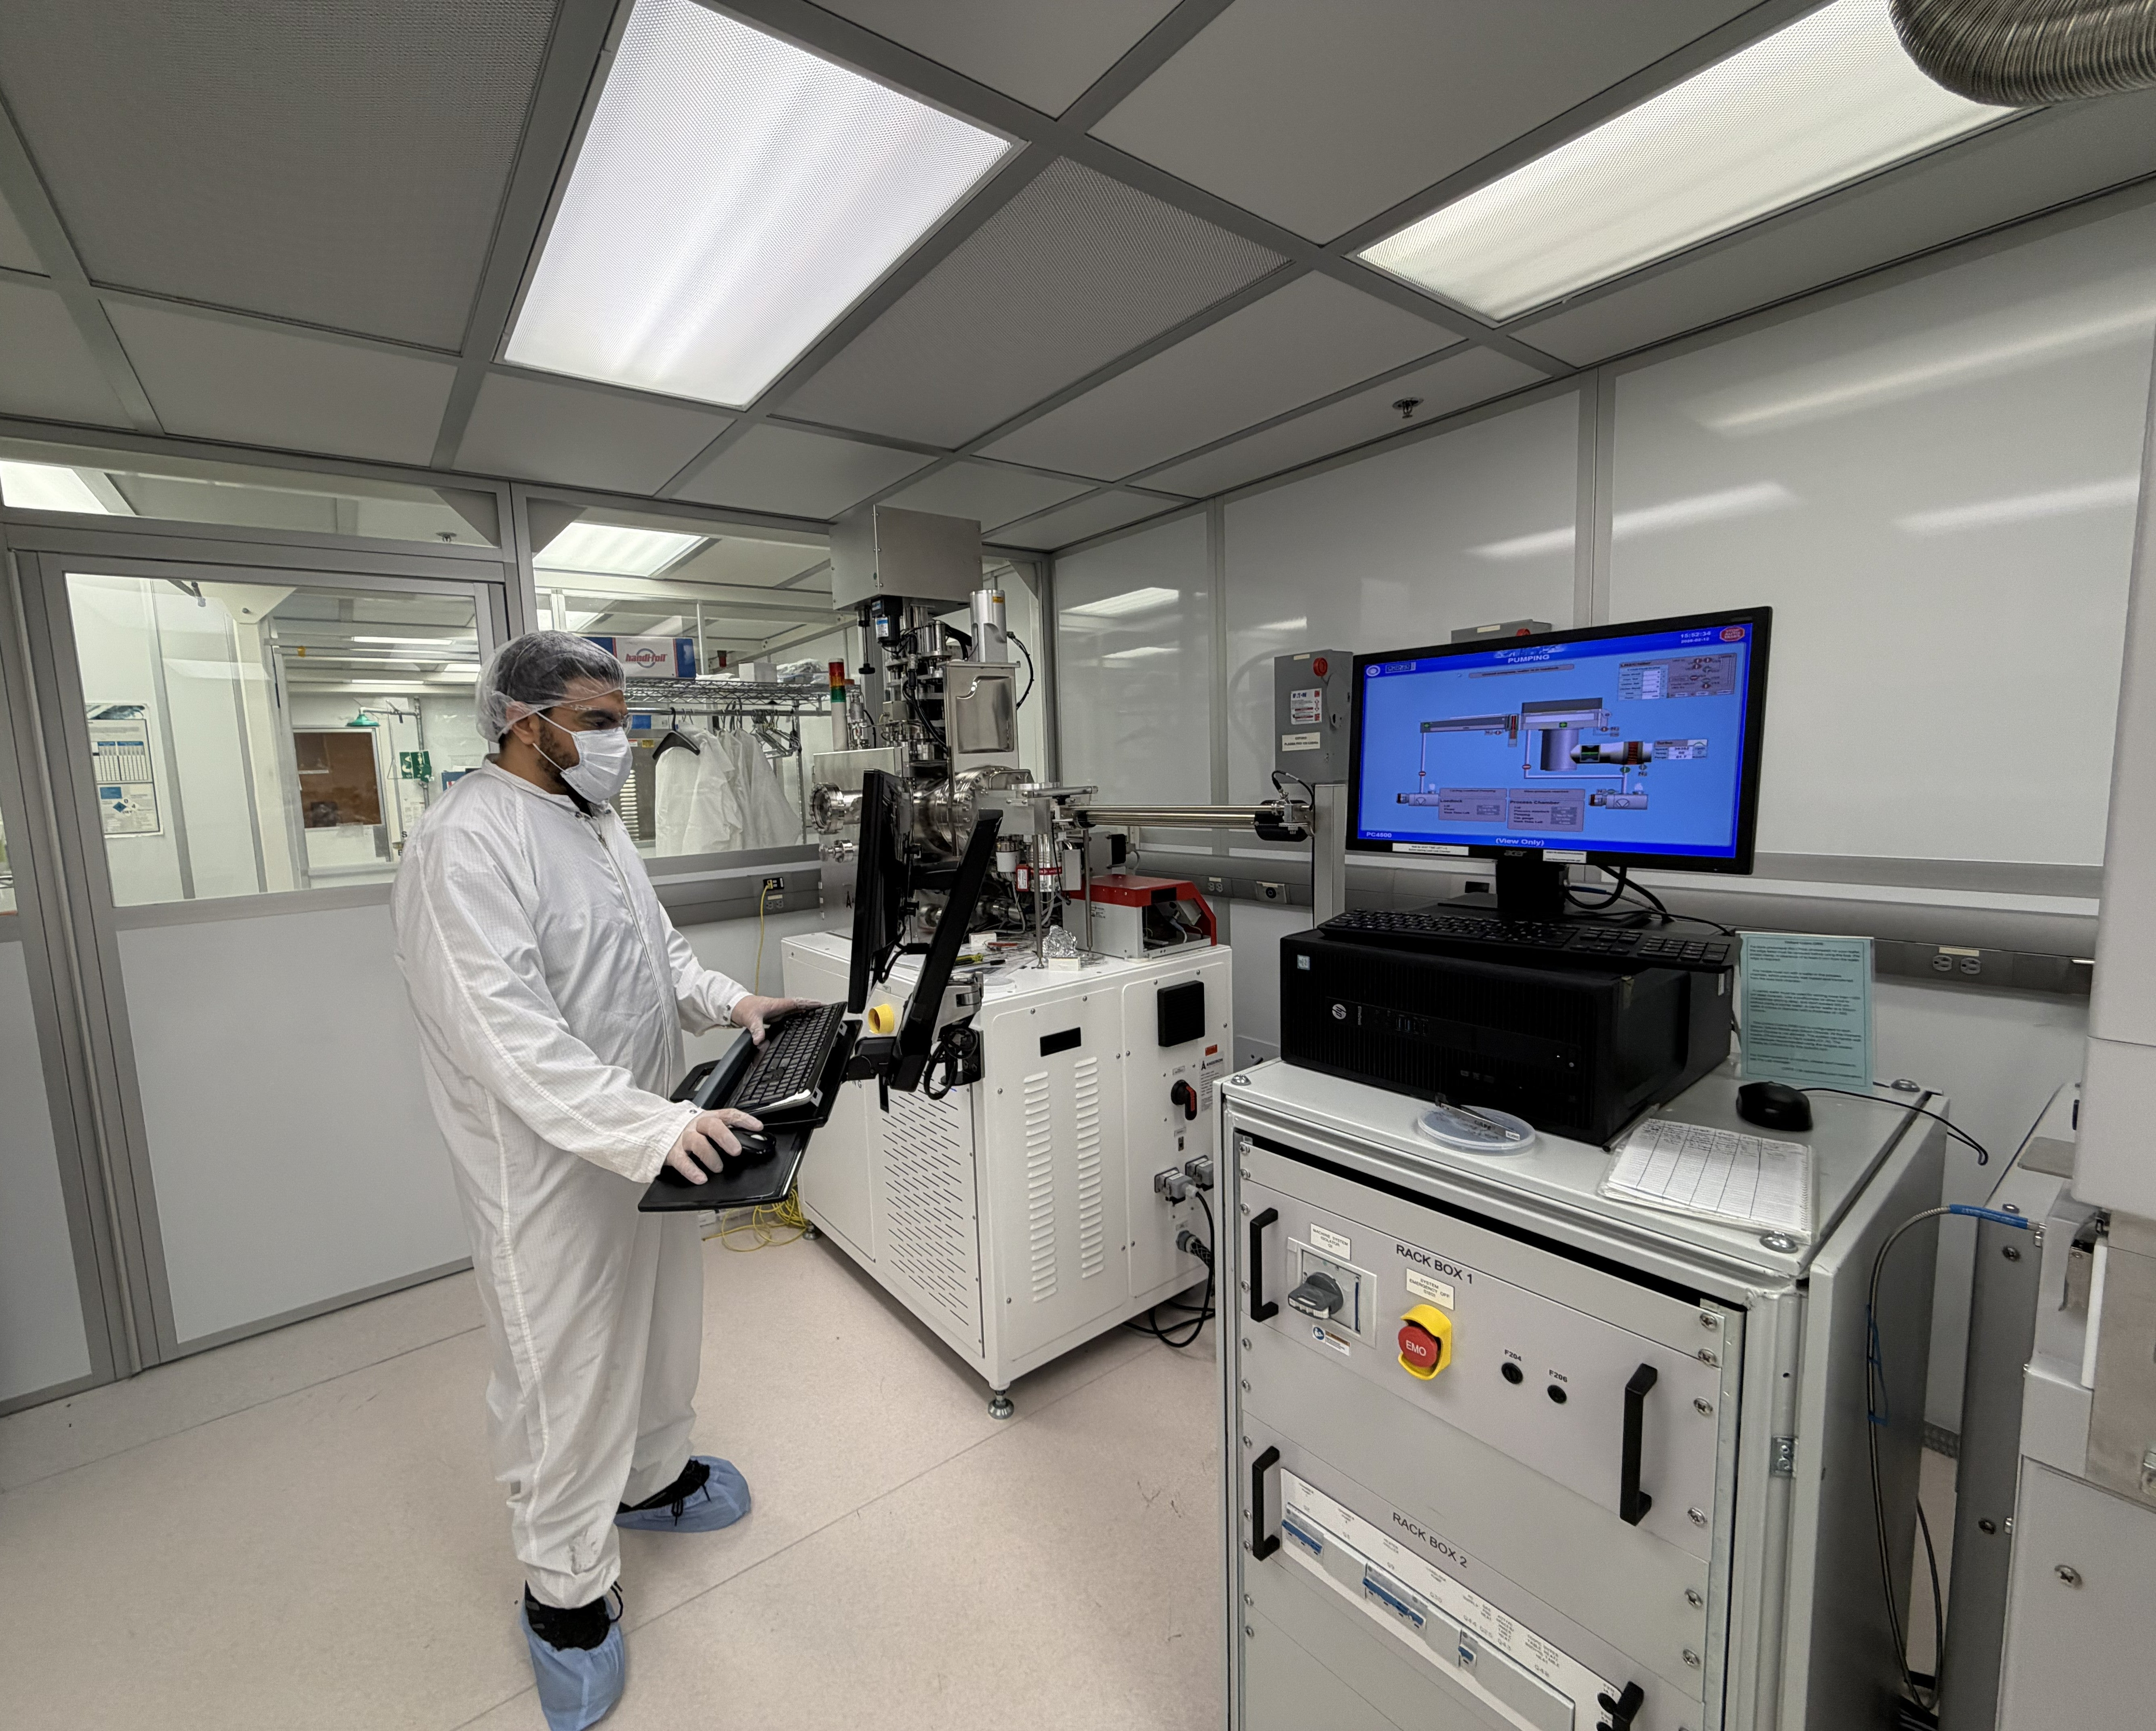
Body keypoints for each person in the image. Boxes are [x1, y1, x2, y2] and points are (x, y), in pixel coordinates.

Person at [391, 631, 811, 1730]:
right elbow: (510, 1036)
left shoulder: (595, 819)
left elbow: (656, 951)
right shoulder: (466, 843)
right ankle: (566, 1595)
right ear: (526, 724)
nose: (621, 740)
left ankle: (654, 1478)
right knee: (563, 1371)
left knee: (663, 1320)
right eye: (600, 718)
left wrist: (732, 1006)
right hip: (547, 1166)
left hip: (651, 1125)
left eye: (624, 715)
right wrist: (646, 1124)